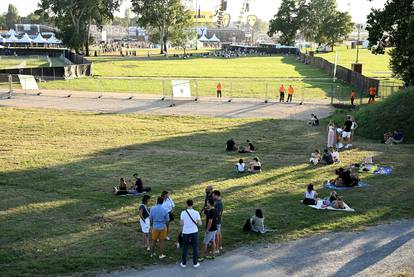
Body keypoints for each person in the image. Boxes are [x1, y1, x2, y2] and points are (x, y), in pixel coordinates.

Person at [180, 199, 202, 268]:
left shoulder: (183, 213)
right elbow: (200, 224)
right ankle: (195, 263)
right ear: (192, 204)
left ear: (187, 204)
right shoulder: (196, 212)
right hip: (194, 232)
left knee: (185, 247)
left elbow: (181, 223)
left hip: (186, 232)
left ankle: (184, 263)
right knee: (195, 247)